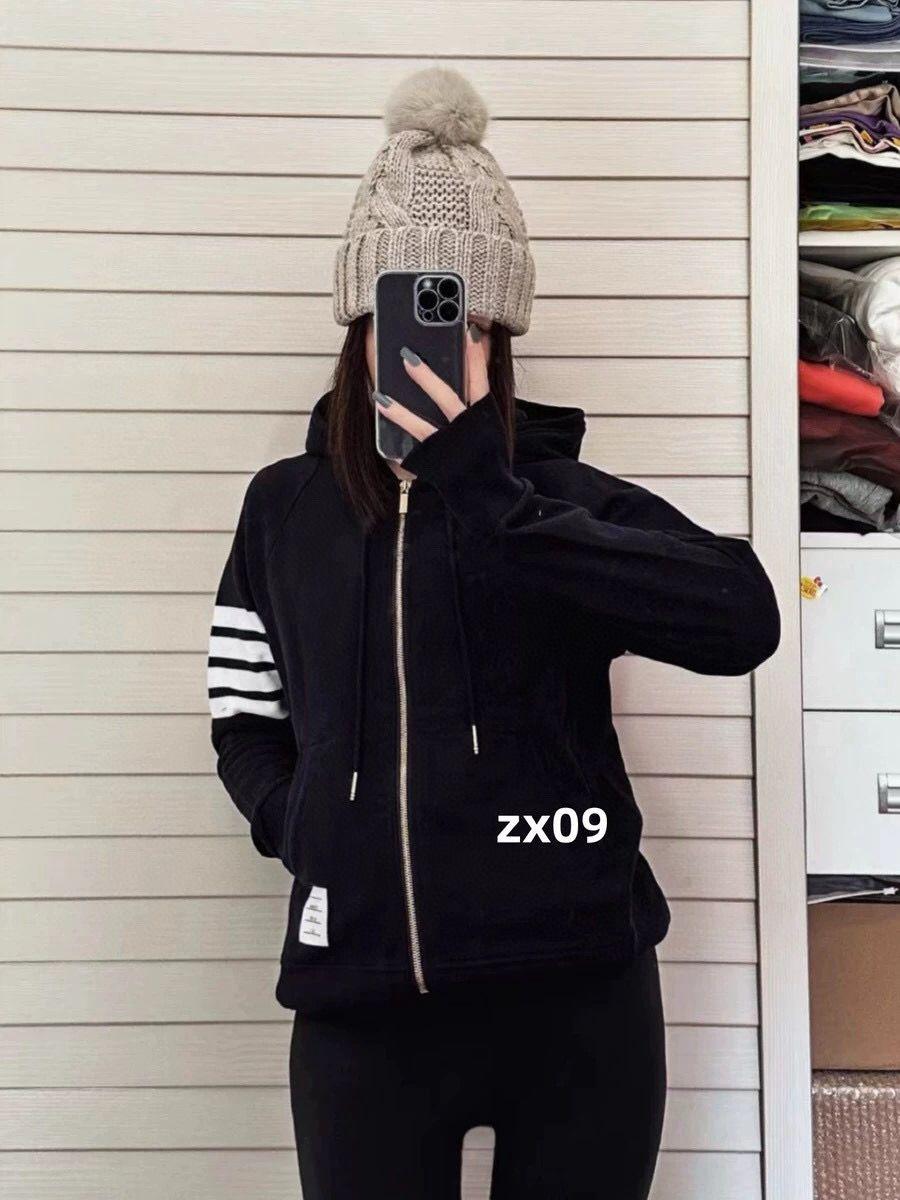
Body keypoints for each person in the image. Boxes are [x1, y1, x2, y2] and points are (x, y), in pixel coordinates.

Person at [207, 67, 781, 1200]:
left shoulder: (556, 501)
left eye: (467, 321)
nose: (434, 345)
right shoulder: (284, 509)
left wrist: (488, 492)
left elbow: (741, 618)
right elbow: (243, 711)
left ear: (501, 337)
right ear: (359, 325)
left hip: (578, 1002)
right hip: (363, 1007)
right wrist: (303, 823)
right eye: (408, 314)